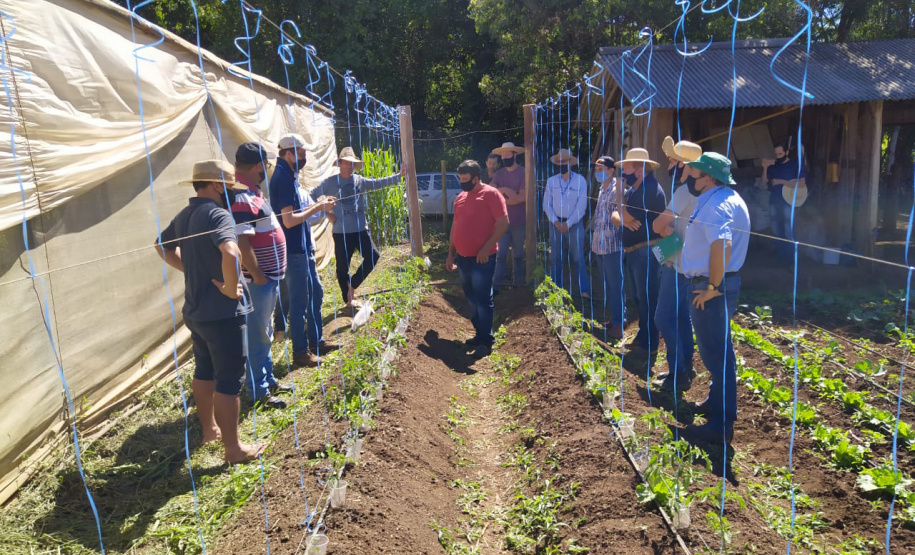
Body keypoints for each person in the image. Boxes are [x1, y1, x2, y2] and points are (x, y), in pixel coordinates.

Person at [155, 159, 265, 464]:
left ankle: (210, 431)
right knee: (229, 379)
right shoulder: (218, 214)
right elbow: (231, 251)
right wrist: (231, 289)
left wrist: (191, 273)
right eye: (229, 186)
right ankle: (234, 449)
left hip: (196, 311)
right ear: (217, 185)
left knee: (204, 371)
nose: (232, 192)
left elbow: (160, 245)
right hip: (223, 314)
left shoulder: (186, 214)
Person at [680, 152, 751, 447]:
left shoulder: (717, 205)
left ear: (709, 177)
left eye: (695, 173)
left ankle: (720, 425)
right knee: (718, 351)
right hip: (720, 283)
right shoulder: (727, 197)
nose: (691, 177)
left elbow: (722, 244)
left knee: (716, 353)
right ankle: (716, 403)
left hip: (710, 288)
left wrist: (712, 285)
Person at [268, 133, 339, 367]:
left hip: (303, 248)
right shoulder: (282, 179)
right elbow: (288, 221)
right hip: (293, 251)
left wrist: (317, 206)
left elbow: (301, 211)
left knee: (315, 294)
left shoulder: (291, 176)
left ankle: (316, 341)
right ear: (288, 153)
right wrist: (318, 206)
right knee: (299, 301)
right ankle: (300, 351)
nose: (304, 156)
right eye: (301, 152)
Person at [229, 142, 291, 409]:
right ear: (257, 166)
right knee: (258, 335)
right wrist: (258, 274)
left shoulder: (252, 193)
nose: (265, 170)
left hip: (267, 278)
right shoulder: (242, 197)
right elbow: (242, 243)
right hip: (259, 280)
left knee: (264, 331)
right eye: (264, 166)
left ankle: (268, 380)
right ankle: (258, 391)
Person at [310, 146, 404, 307]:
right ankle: (348, 300)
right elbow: (310, 196)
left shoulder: (359, 181)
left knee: (373, 256)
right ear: (339, 164)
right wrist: (325, 213)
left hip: (361, 230)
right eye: (345, 163)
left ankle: (352, 285)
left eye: (351, 164)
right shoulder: (330, 182)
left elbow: (378, 183)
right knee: (342, 268)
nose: (348, 166)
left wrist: (400, 176)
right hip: (341, 232)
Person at [652, 138, 703, 392]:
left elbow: (658, 225)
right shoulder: (703, 193)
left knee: (663, 317)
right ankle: (685, 367)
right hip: (690, 263)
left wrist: (663, 229)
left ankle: (678, 371)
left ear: (685, 165)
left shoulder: (683, 193)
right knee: (682, 317)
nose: (669, 164)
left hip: (677, 262)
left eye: (674, 160)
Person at [446, 160, 509, 359]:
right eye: (460, 179)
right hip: (463, 258)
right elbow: (455, 227)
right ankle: (479, 333)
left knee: (483, 299)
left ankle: (486, 341)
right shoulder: (461, 198)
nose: (462, 183)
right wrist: (450, 254)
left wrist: (487, 247)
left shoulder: (491, 194)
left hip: (483, 259)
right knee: (471, 298)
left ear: (475, 178)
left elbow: (503, 223)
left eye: (465, 180)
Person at [612, 148, 666, 359]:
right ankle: (644, 336)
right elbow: (618, 215)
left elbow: (620, 212)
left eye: (627, 167)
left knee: (647, 297)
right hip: (637, 251)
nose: (623, 170)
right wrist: (619, 215)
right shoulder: (637, 188)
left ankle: (650, 344)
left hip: (647, 251)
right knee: (639, 297)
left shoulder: (648, 190)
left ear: (640, 169)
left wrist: (618, 213)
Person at [543, 148, 591, 298]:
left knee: (577, 257)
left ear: (571, 162)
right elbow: (546, 204)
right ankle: (557, 290)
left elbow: (581, 206)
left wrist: (568, 223)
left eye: (565, 161)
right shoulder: (551, 181)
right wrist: (556, 222)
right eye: (560, 161)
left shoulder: (580, 180)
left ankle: (584, 290)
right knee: (556, 257)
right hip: (555, 223)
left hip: (574, 224)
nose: (562, 163)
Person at [589, 155, 626, 339]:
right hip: (599, 245)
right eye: (596, 169)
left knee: (615, 285)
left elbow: (621, 212)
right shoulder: (602, 189)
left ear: (611, 171)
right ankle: (615, 318)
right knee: (608, 285)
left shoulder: (617, 189)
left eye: (601, 169)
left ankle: (619, 323)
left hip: (613, 245)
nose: (598, 172)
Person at [490, 141, 527, 293]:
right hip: (502, 222)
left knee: (518, 254)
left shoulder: (524, 172)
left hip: (519, 222)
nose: (505, 157)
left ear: (515, 155)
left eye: (507, 154)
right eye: (503, 155)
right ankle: (496, 286)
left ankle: (517, 284)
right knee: (500, 254)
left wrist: (503, 192)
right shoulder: (499, 174)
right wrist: (508, 192)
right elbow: (491, 194)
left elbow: (521, 198)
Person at [761, 143, 806, 262]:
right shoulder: (774, 166)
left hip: (789, 201)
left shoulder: (795, 164)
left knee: (788, 229)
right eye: (776, 154)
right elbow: (763, 182)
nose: (778, 156)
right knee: (776, 228)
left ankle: (792, 258)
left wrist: (782, 182)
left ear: (786, 152)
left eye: (780, 154)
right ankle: (781, 256)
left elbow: (801, 183)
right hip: (774, 200)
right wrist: (765, 167)